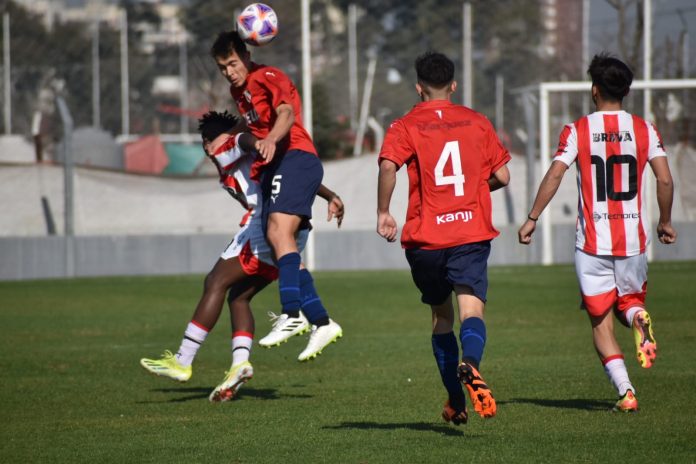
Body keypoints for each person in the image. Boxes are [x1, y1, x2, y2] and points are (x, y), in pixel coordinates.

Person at [140, 111, 345, 402]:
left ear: (212, 140)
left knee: (215, 282)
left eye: (205, 142)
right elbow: (283, 169)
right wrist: (329, 194)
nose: (206, 149)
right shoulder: (240, 157)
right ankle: (241, 364)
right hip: (283, 223)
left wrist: (258, 139)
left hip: (265, 226)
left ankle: (183, 361)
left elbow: (246, 140)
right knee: (238, 297)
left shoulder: (227, 147)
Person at [518, 53, 677, 412]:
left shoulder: (578, 130)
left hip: (592, 244)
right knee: (631, 302)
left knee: (600, 323)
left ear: (594, 90)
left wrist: (532, 217)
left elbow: (556, 174)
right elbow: (665, 179)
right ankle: (638, 318)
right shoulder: (645, 129)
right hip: (633, 241)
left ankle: (626, 392)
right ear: (627, 91)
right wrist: (665, 221)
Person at [376, 52, 510, 425]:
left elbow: (389, 165)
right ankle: (471, 363)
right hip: (470, 232)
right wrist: (473, 190)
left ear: (418, 88)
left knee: (441, 315)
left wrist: (383, 212)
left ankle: (455, 401)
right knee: (472, 310)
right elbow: (503, 177)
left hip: (426, 240)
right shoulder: (477, 122)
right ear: (453, 85)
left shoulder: (404, 125)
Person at [211, 31, 342, 360]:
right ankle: (322, 322)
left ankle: (292, 314)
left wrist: (270, 139)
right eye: (222, 67)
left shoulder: (268, 76)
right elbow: (252, 120)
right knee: (282, 246)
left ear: (245, 55)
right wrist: (232, 132)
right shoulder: (238, 91)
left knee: (276, 232)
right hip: (277, 168)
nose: (228, 71)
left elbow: (286, 113)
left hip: (294, 156)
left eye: (232, 63)